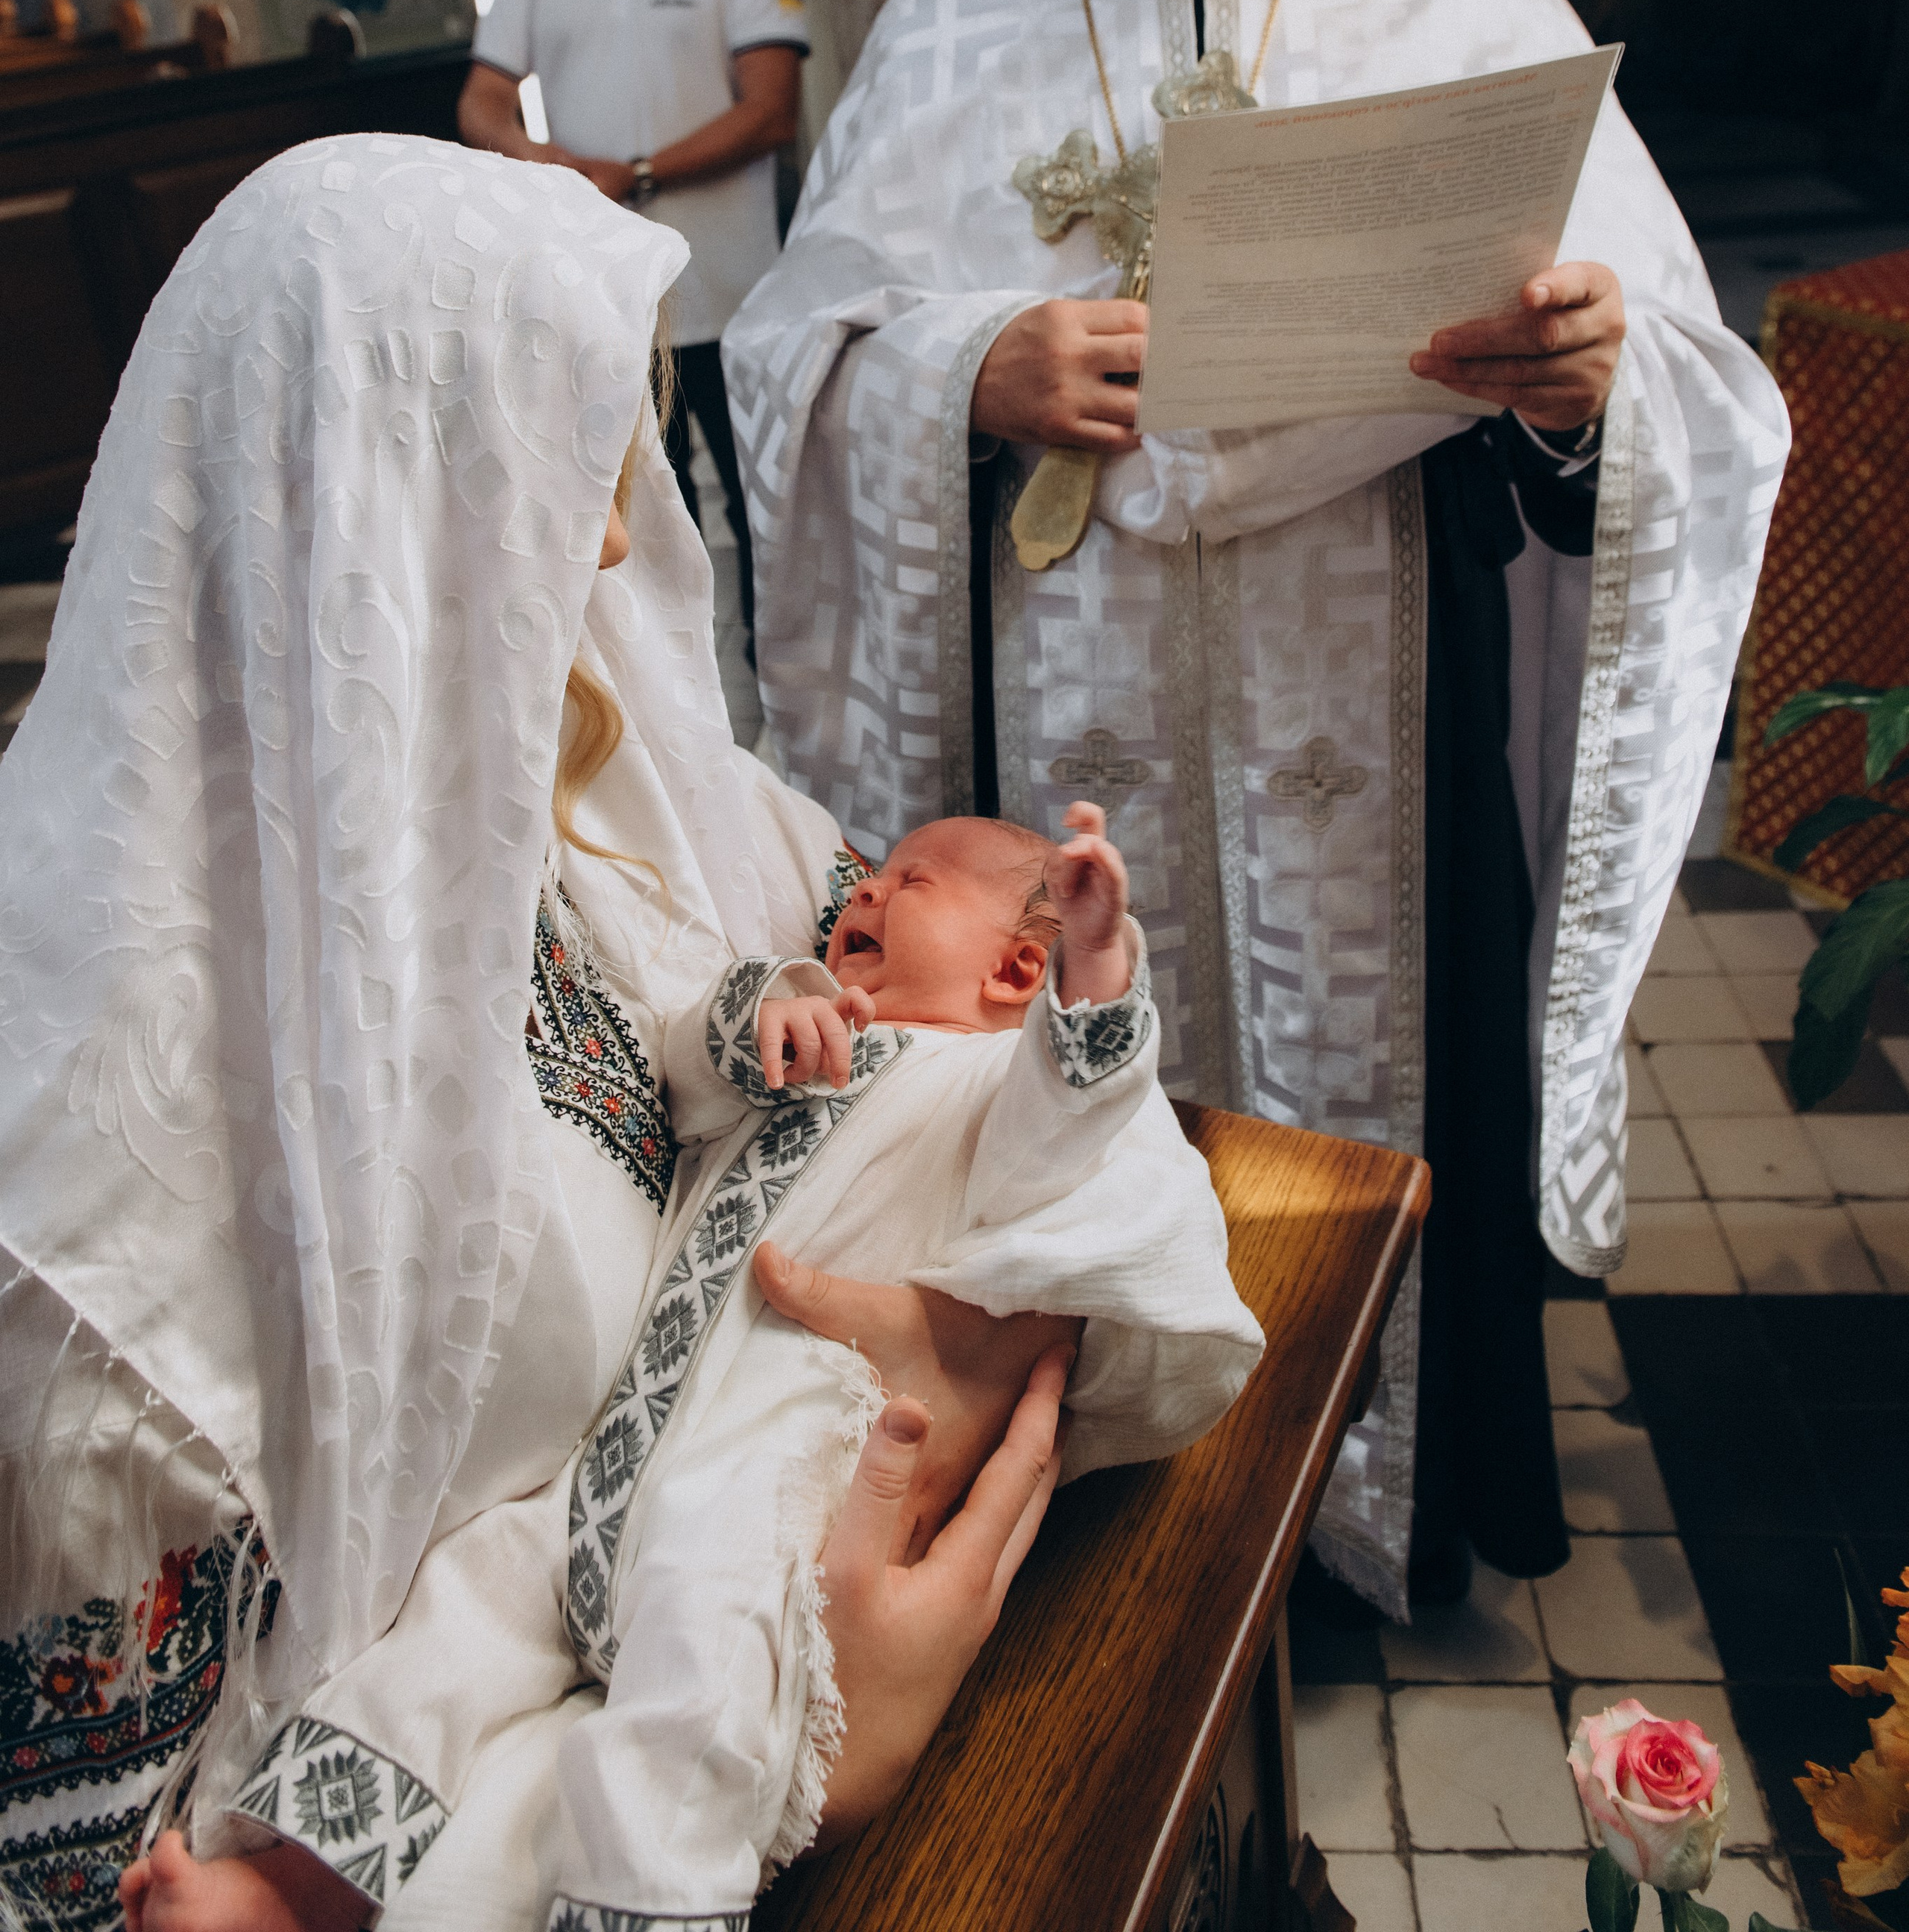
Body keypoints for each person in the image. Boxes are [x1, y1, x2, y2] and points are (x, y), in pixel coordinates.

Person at [725, 0, 1793, 1621]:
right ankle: (1107, 1546)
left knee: (1367, 1092)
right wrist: (961, 369)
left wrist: (1574, 387)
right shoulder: (944, 31)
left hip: (1371, 714)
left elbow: (1690, 398)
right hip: (1062, 750)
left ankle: (1367, 1520)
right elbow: (784, 370)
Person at [0, 137, 1078, 1932]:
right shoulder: (96, 1221)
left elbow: (954, 1004)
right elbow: (102, 1895)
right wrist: (825, 1741)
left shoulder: (613, 783)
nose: (609, 527)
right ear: (352, 493)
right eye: (552, 441)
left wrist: (944, 1335)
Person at [122, 807, 1260, 1929]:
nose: (864, 890)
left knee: (697, 1707)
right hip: (610, 1451)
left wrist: (1097, 972)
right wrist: (753, 1017)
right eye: (872, 877)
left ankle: (640, 1905)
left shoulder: (988, 1095)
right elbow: (678, 1079)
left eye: (912, 882)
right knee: (447, 1631)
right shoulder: (819, 1047)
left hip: (761, 1484)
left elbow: (1076, 1120)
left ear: (1016, 967)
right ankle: (287, 1889)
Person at [458, 0, 808, 649]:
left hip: (734, 298)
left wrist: (638, 172)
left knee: (766, 523)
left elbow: (772, 106)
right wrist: (544, 168)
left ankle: (784, 704)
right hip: (609, 304)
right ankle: (680, 723)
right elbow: (483, 99)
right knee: (643, 536)